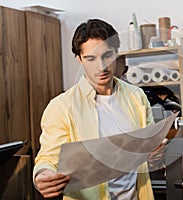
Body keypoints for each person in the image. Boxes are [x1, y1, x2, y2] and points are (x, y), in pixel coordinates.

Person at [33, 19, 155, 200]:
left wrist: (156, 154)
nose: (102, 66)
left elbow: (148, 152)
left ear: (116, 53)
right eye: (91, 58)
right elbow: (48, 159)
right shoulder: (61, 107)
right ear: (80, 59)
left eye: (107, 55)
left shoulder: (137, 96)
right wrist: (42, 176)